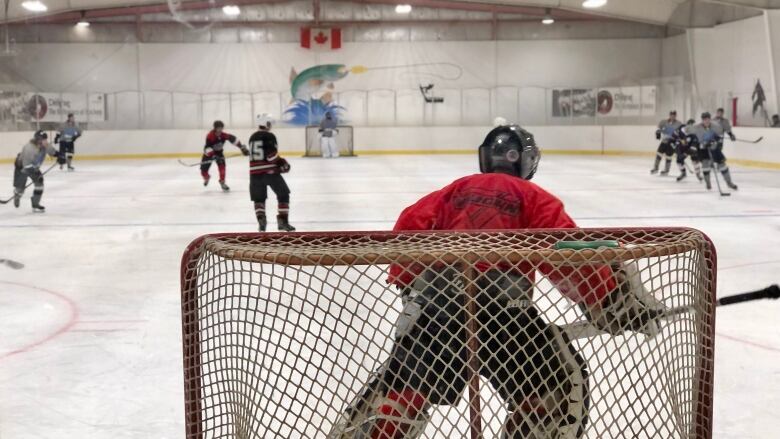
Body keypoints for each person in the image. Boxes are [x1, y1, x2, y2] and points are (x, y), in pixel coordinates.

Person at [329, 125, 666, 439]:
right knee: (551, 390)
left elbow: (409, 228)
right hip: (507, 317)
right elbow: (567, 257)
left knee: (405, 392)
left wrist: (409, 288)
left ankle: (389, 414)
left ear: (484, 157)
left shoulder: (453, 191)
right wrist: (609, 304)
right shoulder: (534, 198)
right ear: (529, 162)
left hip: (436, 311)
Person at [247, 113, 295, 232]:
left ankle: (261, 221)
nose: (271, 126)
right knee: (283, 194)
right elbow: (271, 156)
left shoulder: (252, 137)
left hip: (254, 174)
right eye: (270, 123)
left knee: (259, 199)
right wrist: (282, 163)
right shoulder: (269, 136)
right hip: (269, 172)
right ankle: (283, 222)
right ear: (266, 124)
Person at [687, 112, 738, 191]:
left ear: (710, 119)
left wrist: (731, 135)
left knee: (722, 164)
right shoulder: (696, 127)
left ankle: (729, 183)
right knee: (705, 164)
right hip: (702, 148)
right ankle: (708, 183)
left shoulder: (716, 126)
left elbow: (720, 137)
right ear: (702, 120)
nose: (706, 121)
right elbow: (684, 130)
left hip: (713, 147)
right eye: (704, 119)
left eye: (708, 119)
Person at [12, 130, 61, 212]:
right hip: (21, 167)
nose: (46, 141)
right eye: (44, 139)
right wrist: (37, 175)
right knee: (20, 188)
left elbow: (53, 152)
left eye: (46, 139)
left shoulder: (45, 146)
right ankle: (17, 195)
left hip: (33, 167)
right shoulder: (29, 148)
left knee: (39, 184)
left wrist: (60, 156)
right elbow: (27, 166)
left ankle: (35, 203)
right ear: (38, 140)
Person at [200, 120, 248, 191]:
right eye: (218, 128)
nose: (220, 130)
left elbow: (233, 139)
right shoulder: (210, 136)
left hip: (219, 153)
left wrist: (241, 147)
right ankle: (207, 177)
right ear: (215, 128)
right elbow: (207, 148)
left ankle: (222, 182)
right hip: (208, 154)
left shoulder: (223, 135)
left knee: (222, 168)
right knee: (203, 170)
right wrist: (213, 156)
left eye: (221, 128)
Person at [651, 110, 683, 175]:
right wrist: (658, 132)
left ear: (675, 116)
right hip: (665, 141)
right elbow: (659, 129)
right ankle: (656, 168)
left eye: (674, 115)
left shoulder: (679, 124)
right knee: (659, 153)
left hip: (672, 142)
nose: (672, 116)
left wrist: (678, 141)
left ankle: (666, 170)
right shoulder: (664, 122)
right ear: (669, 115)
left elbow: (681, 133)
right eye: (671, 115)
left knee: (669, 156)